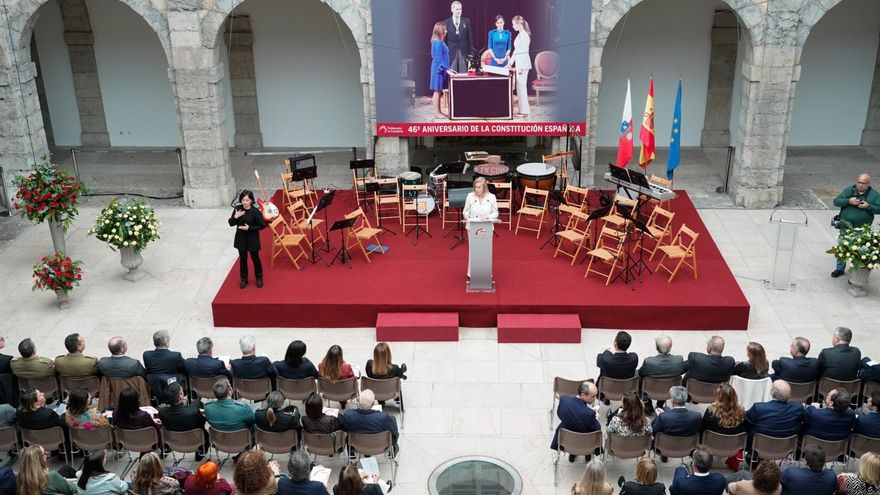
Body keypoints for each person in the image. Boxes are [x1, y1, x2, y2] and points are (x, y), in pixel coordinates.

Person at [831, 173, 880, 277]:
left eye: (863, 183)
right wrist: (848, 201)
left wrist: (868, 207)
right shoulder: (849, 190)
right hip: (845, 227)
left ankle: (855, 274)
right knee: (842, 247)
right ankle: (839, 269)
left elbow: (879, 208)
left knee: (858, 252)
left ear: (868, 183)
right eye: (859, 182)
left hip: (862, 229)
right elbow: (836, 201)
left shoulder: (874, 195)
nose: (860, 185)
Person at [551, 381, 601, 462]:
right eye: (593, 396)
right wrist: (596, 417)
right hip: (585, 441)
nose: (595, 398)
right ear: (583, 395)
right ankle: (588, 454)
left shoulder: (564, 400)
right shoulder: (589, 414)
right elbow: (597, 428)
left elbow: (560, 414)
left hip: (567, 440)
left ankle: (572, 454)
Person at [340, 389, 399, 454]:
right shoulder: (383, 417)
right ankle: (393, 449)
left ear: (358, 401)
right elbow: (393, 433)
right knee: (393, 421)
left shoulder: (348, 415)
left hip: (357, 446)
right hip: (379, 447)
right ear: (373, 403)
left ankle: (351, 454)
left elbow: (344, 429)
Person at [229, 189, 267, 289]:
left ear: (251, 201)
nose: (245, 202)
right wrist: (235, 217)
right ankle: (244, 279)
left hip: (252, 239)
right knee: (243, 260)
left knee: (255, 259)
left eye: (247, 200)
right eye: (243, 200)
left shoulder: (255, 211)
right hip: (241, 239)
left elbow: (262, 225)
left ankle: (259, 278)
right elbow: (231, 223)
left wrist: (249, 228)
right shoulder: (238, 209)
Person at [157, 382, 208, 455]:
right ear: (181, 396)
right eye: (182, 392)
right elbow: (203, 421)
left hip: (174, 443)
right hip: (196, 441)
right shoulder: (194, 408)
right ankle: (201, 452)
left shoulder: (162, 412)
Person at [463, 177, 499, 279]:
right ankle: (472, 273)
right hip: (472, 226)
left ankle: (486, 273)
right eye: (475, 187)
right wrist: (466, 215)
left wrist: (488, 216)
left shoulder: (491, 197)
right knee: (474, 250)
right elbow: (466, 211)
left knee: (485, 251)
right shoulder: (470, 196)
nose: (476, 189)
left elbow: (496, 213)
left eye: (479, 187)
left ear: (484, 187)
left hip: (486, 226)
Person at [142, 330, 186, 405]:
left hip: (155, 388)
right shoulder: (175, 356)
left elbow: (148, 370)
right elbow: (184, 368)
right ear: (166, 343)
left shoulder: (146, 355)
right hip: (173, 389)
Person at [597, 331, 639, 403]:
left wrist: (605, 352)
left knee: (603, 369)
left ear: (615, 343)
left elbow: (599, 361)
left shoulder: (606, 359)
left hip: (607, 388)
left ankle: (603, 397)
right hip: (627, 388)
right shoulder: (634, 358)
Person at [430, 22, 457, 119]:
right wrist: (447, 70)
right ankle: (437, 113)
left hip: (442, 69)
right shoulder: (437, 42)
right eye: (445, 29)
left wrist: (449, 69)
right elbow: (438, 59)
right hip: (438, 70)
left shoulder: (439, 42)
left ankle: (439, 112)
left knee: (439, 90)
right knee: (437, 91)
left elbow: (442, 58)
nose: (446, 31)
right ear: (440, 30)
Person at [509, 15, 532, 118]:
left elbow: (524, 52)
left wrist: (521, 67)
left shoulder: (524, 36)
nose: (513, 26)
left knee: (522, 88)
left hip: (523, 65)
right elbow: (516, 51)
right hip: (519, 64)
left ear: (519, 24)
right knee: (519, 88)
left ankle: (525, 111)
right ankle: (522, 110)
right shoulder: (520, 35)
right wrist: (510, 63)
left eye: (514, 24)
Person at [444, 1, 472, 74]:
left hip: (463, 52)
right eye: (457, 9)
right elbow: (444, 40)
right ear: (452, 9)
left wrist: (471, 53)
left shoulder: (466, 21)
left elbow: (470, 39)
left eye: (460, 9)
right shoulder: (446, 22)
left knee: (463, 74)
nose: (459, 11)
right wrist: (445, 53)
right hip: (451, 52)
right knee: (452, 74)